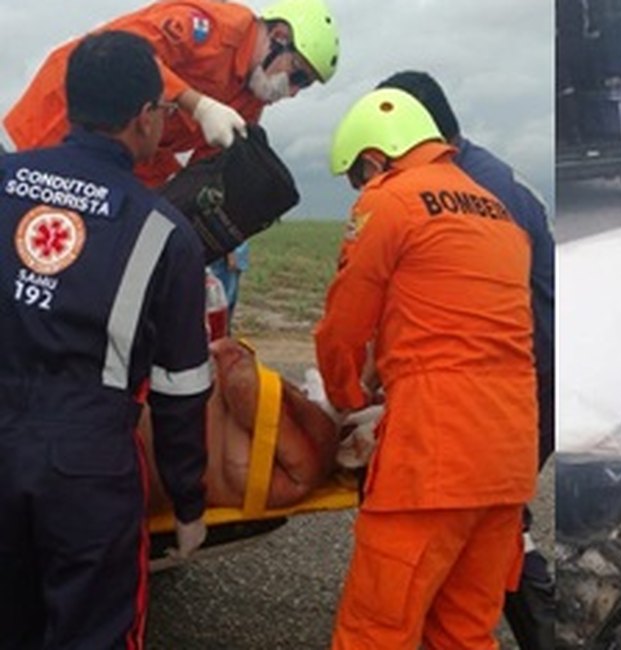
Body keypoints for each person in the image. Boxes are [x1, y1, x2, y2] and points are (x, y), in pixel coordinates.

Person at [0, 32, 211, 648]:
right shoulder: (163, 234)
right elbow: (181, 390)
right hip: (86, 472)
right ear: (146, 117)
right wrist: (190, 502)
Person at [318, 88, 537, 649]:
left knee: (376, 632)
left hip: (433, 460)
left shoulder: (390, 200)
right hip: (509, 460)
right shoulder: (498, 212)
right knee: (464, 632)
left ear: (374, 159)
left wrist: (344, 399)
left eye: (359, 176)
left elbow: (344, 326)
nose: (361, 189)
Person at [376, 70, 556, 650]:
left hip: (523, 371)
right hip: (533, 364)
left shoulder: (461, 192)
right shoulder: (487, 174)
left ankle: (543, 628)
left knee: (484, 517)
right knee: (492, 514)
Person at [4, 0, 339, 188]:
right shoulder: (210, 27)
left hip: (129, 156)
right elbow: (120, 55)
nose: (293, 92)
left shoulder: (249, 99)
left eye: (304, 86)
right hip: (62, 112)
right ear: (279, 36)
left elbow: (204, 168)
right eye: (297, 76)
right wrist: (197, 104)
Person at [143, 338, 344, 513]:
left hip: (139, 459)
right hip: (147, 470)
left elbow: (243, 384)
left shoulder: (302, 464)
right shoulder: (294, 469)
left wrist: (233, 353)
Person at [209, 241, 250, 327]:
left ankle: (225, 332)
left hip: (236, 257)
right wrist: (230, 252)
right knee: (223, 303)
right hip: (227, 258)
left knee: (230, 302)